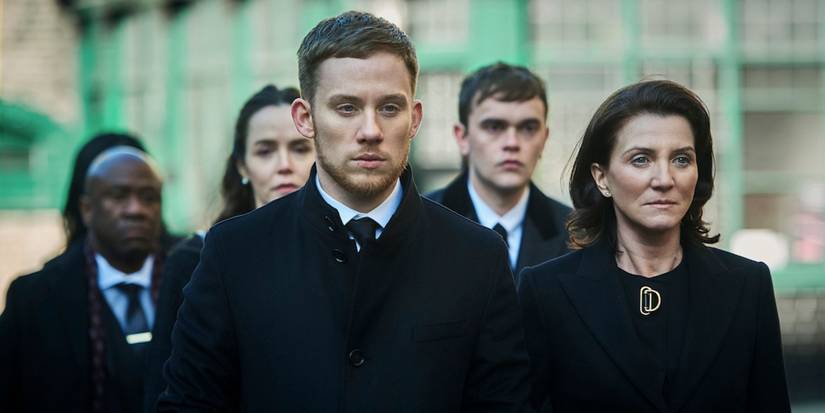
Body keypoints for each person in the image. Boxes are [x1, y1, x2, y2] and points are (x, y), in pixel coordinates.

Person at [158, 10, 529, 412]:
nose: (370, 131)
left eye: (389, 108)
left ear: (415, 118)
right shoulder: (234, 252)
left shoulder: (477, 256)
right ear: (305, 118)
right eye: (347, 108)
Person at [518, 80, 791, 412]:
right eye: (641, 160)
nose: (664, 179)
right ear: (602, 177)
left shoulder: (747, 285)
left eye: (681, 159)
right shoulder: (545, 291)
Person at [143, 84, 313, 410]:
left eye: (300, 148)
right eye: (265, 151)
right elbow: (167, 391)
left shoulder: (344, 250)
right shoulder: (195, 260)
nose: (284, 164)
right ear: (242, 166)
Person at [1, 146, 178, 413]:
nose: (135, 210)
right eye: (118, 196)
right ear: (86, 209)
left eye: (149, 197)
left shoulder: (195, 281)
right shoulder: (34, 298)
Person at [428, 62, 571, 277]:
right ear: (462, 137)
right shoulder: (420, 225)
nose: (512, 143)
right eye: (494, 127)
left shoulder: (576, 236)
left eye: (528, 128)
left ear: (544, 139)